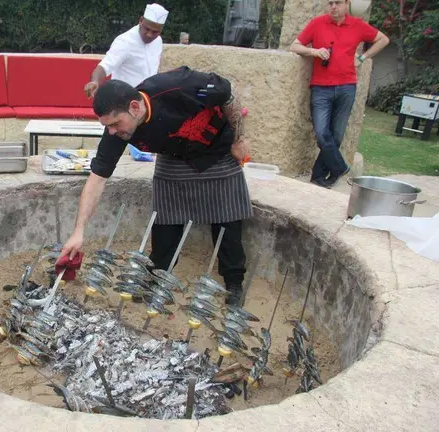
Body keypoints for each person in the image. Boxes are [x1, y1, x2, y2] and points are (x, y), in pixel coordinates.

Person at [62, 66, 252, 305]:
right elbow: (97, 178)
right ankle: (158, 277)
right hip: (173, 155)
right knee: (165, 222)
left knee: (228, 218)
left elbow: (228, 95)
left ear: (134, 107)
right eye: (107, 126)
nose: (111, 131)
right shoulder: (117, 131)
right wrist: (79, 231)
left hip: (216, 149)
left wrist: (239, 138)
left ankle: (234, 282)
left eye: (116, 124)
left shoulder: (179, 85)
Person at [290, 0, 389, 188]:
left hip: (346, 87)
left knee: (336, 136)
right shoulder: (317, 23)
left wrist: (362, 57)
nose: (333, 7)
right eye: (330, 3)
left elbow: (383, 39)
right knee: (321, 133)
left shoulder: (357, 25)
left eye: (337, 3)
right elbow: (295, 46)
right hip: (321, 88)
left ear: (346, 4)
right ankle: (340, 167)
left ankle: (320, 176)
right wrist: (314, 51)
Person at [84, 3, 169, 98]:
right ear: (141, 20)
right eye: (147, 29)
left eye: (155, 32)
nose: (149, 34)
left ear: (161, 30)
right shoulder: (125, 42)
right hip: (122, 100)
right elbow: (104, 67)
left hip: (147, 99)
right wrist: (95, 81)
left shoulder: (158, 41)